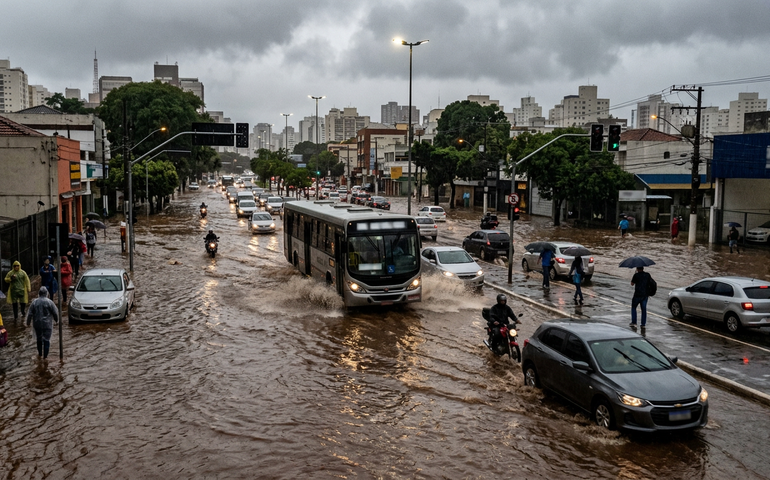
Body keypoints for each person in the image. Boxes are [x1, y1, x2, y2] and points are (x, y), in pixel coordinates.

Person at [25, 286, 59, 359]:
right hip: (47, 325)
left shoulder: (34, 302)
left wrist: (28, 323)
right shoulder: (50, 302)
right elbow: (55, 313)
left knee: (39, 339)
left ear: (39, 293)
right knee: (47, 340)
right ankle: (45, 357)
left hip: (37, 324)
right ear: (46, 293)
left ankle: (40, 354)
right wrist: (57, 320)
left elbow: (30, 313)